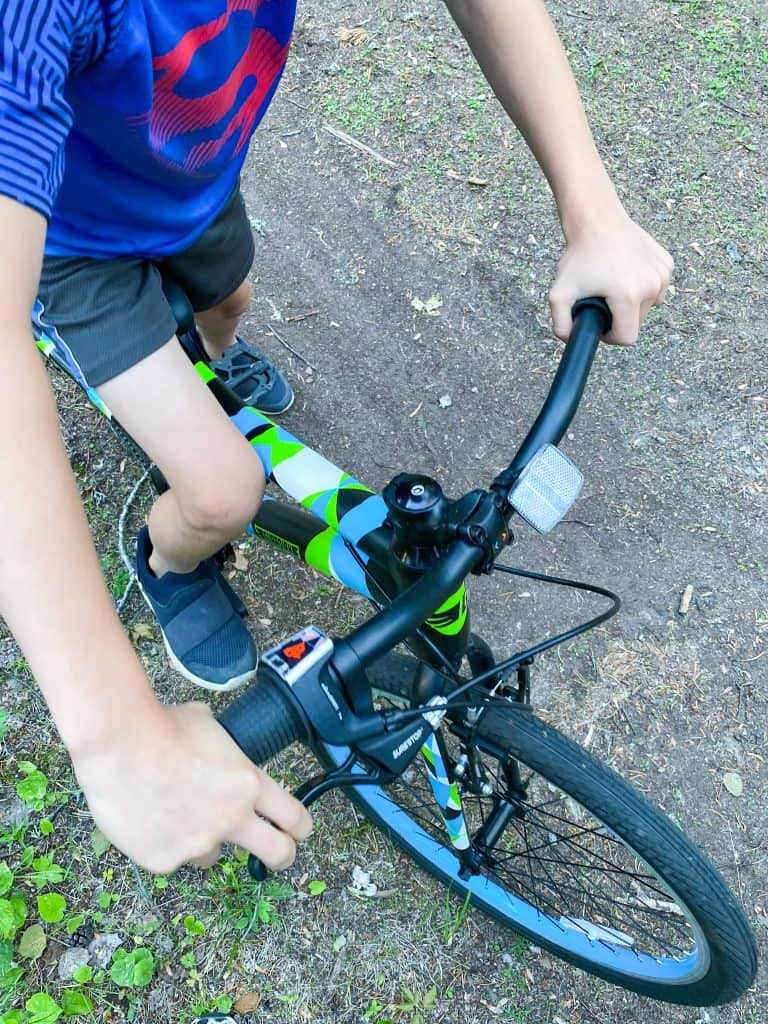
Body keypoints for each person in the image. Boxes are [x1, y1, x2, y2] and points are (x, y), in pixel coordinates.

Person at [0, 0, 673, 908]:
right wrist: (118, 735)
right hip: (73, 253)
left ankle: (201, 373)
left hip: (192, 185)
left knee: (229, 307)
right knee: (222, 490)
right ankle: (166, 557)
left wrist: (593, 211)